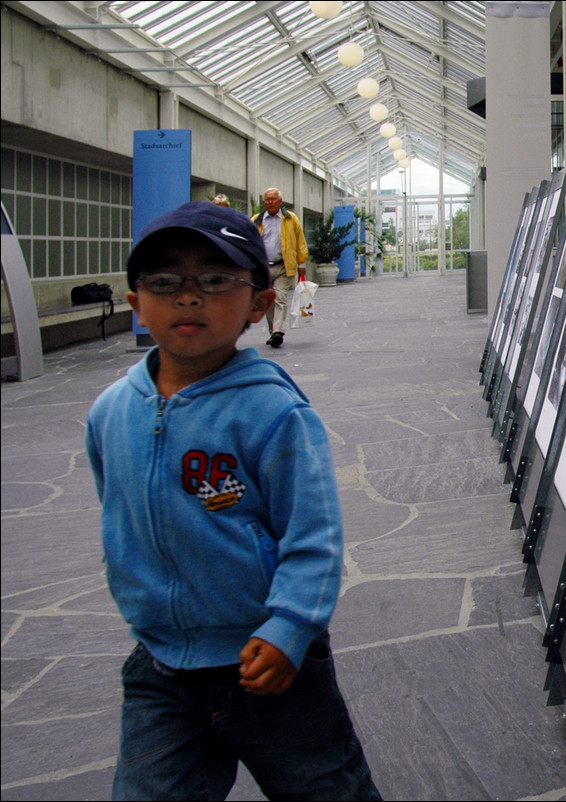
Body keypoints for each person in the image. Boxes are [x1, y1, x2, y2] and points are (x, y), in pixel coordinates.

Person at [86, 201, 380, 801]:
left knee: (326, 789)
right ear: (136, 302)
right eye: (164, 282)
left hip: (269, 662)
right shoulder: (109, 414)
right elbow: (118, 517)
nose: (188, 297)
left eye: (216, 280)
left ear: (258, 304)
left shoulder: (274, 414)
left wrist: (291, 626)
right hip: (161, 666)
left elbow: (314, 537)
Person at [251, 187, 309, 349]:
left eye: (273, 199)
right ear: (264, 202)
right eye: (267, 199)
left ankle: (278, 331)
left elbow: (300, 242)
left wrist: (301, 264)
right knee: (267, 301)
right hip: (263, 267)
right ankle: (273, 332)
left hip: (283, 266)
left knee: (280, 297)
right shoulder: (256, 220)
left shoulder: (290, 219)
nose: (270, 202)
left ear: (280, 201)